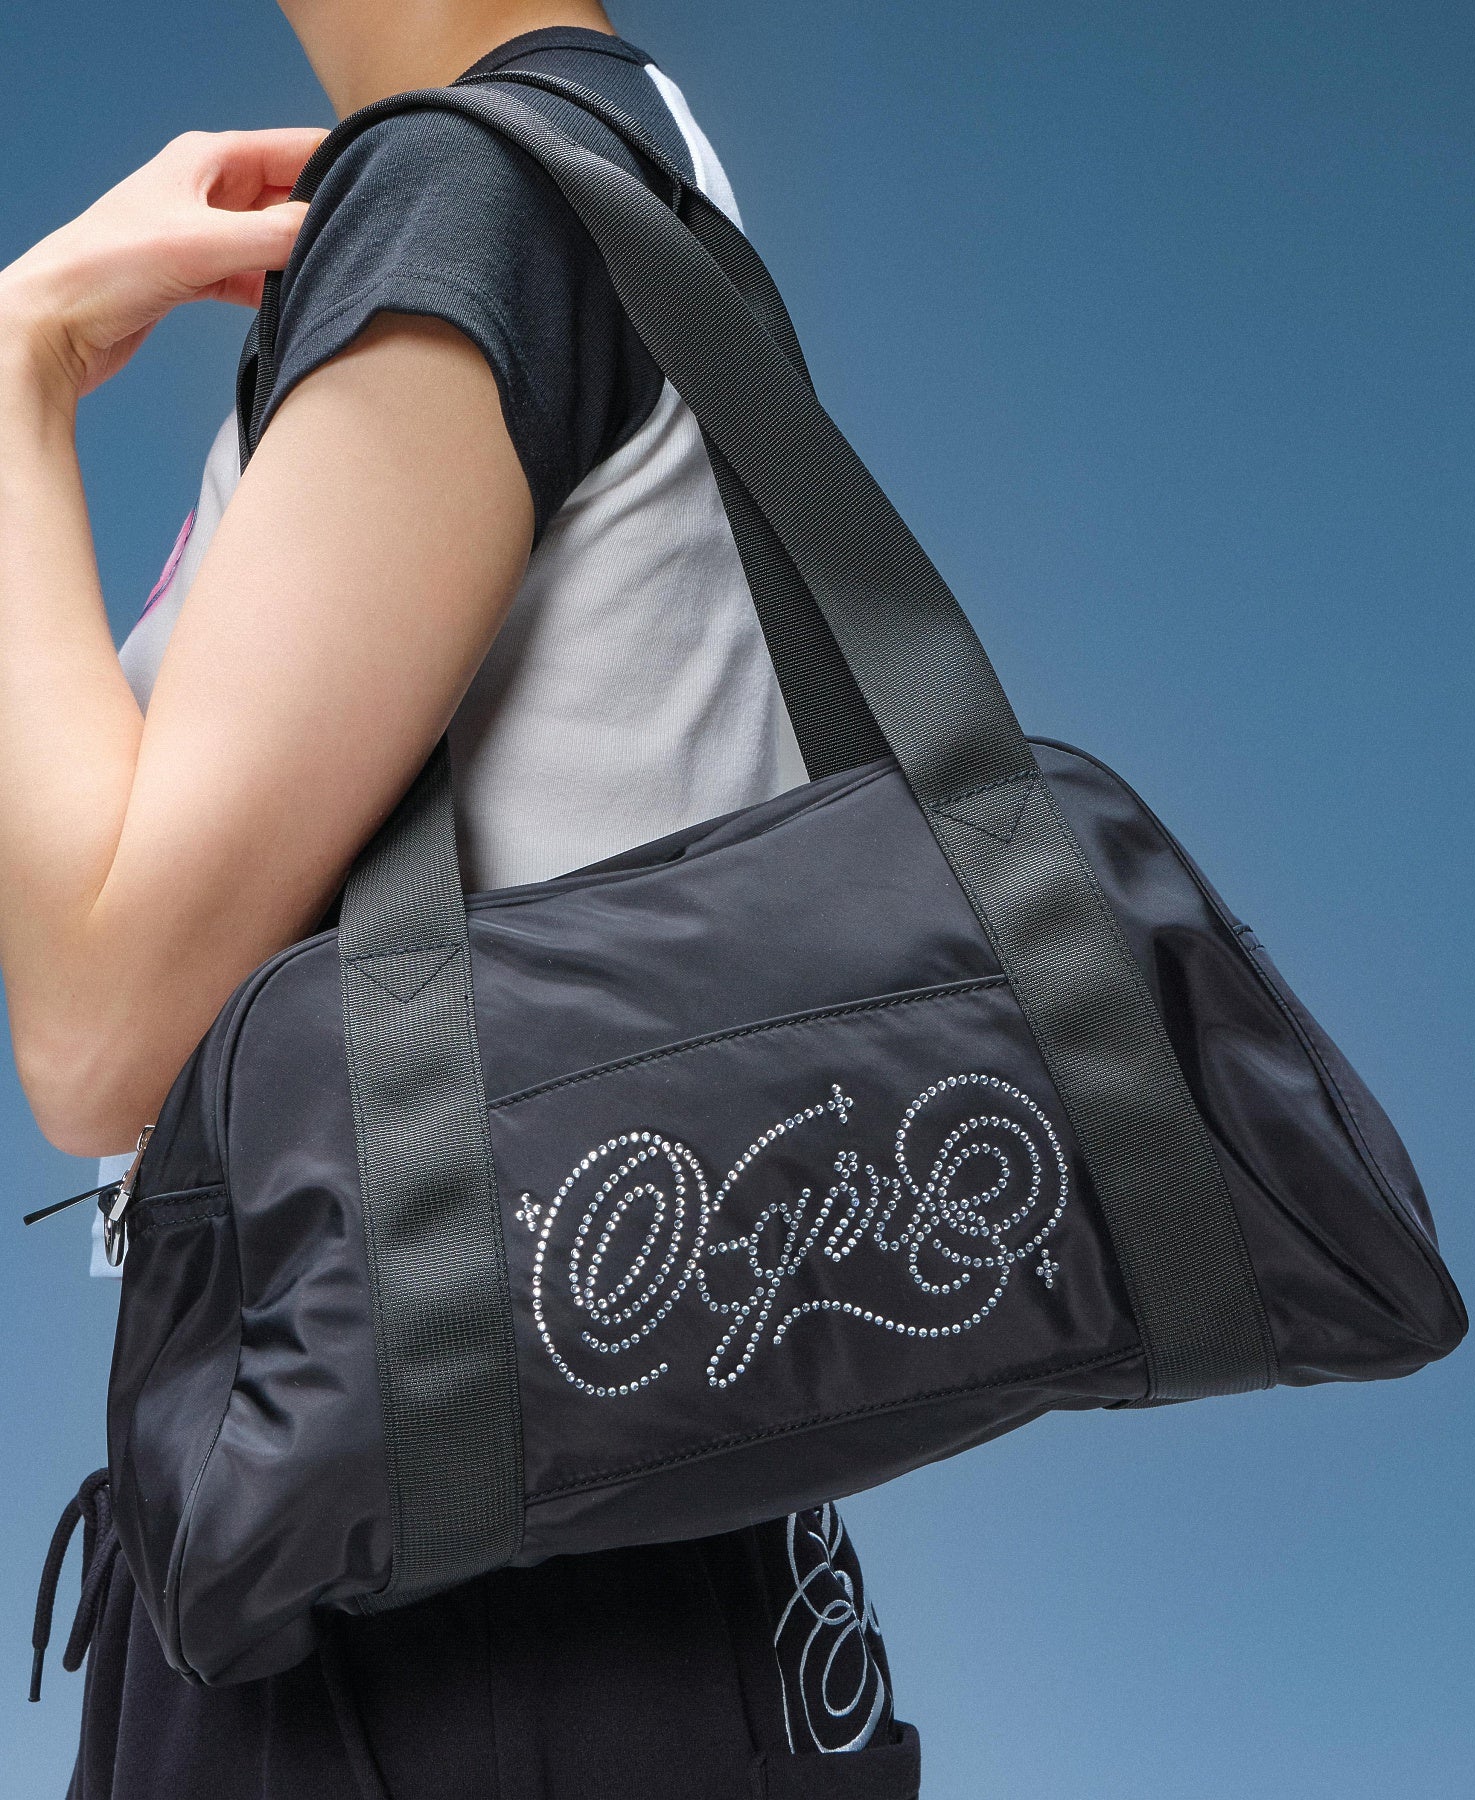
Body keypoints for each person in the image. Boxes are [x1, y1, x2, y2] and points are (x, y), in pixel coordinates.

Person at [0, 3, 921, 1796]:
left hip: (426, 1592)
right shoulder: (629, 153)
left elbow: (102, 1034)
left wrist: (16, 382)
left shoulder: (467, 196)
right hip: (622, 1518)